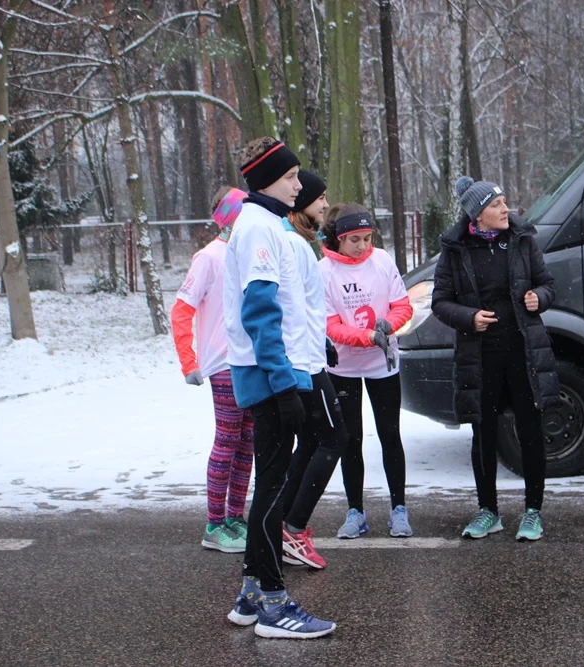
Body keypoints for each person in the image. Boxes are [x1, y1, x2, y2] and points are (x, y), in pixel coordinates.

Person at [223, 137, 335, 639]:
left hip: (275, 371)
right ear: (267, 180)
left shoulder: (264, 223)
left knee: (269, 485)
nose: (298, 184)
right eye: (291, 177)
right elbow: (261, 312)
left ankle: (251, 595)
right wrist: (283, 382)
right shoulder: (258, 229)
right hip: (269, 374)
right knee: (271, 491)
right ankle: (273, 603)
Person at [431, 176, 559, 542]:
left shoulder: (522, 240)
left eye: (504, 202)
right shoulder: (456, 249)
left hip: (523, 351)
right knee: (483, 433)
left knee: (530, 430)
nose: (506, 209)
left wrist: (539, 297)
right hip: (480, 356)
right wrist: (469, 317)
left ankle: (533, 511)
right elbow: (440, 302)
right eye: (496, 205)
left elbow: (548, 284)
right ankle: (488, 510)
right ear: (477, 215)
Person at [319, 203, 414, 538]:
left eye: (367, 238)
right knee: (350, 439)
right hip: (343, 367)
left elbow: (403, 306)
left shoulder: (382, 261)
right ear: (339, 239)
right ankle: (355, 511)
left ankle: (399, 509)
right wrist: (368, 336)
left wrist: (388, 325)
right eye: (354, 239)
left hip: (382, 364)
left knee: (390, 435)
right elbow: (331, 326)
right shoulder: (324, 271)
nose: (362, 246)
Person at [171, 187, 253, 554]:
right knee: (227, 441)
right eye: (244, 212)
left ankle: (235, 517)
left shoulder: (248, 253)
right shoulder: (209, 258)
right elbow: (181, 309)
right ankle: (214, 524)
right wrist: (189, 361)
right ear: (229, 218)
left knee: (248, 443)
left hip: (251, 361)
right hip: (223, 364)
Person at [278, 169, 348, 569]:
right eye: (319, 198)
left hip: (307, 357)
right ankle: (293, 528)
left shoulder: (299, 242)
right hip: (303, 363)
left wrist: (322, 340)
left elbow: (305, 307)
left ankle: (282, 522)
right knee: (334, 440)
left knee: (309, 442)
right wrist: (305, 361)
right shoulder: (293, 244)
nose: (325, 204)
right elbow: (289, 310)